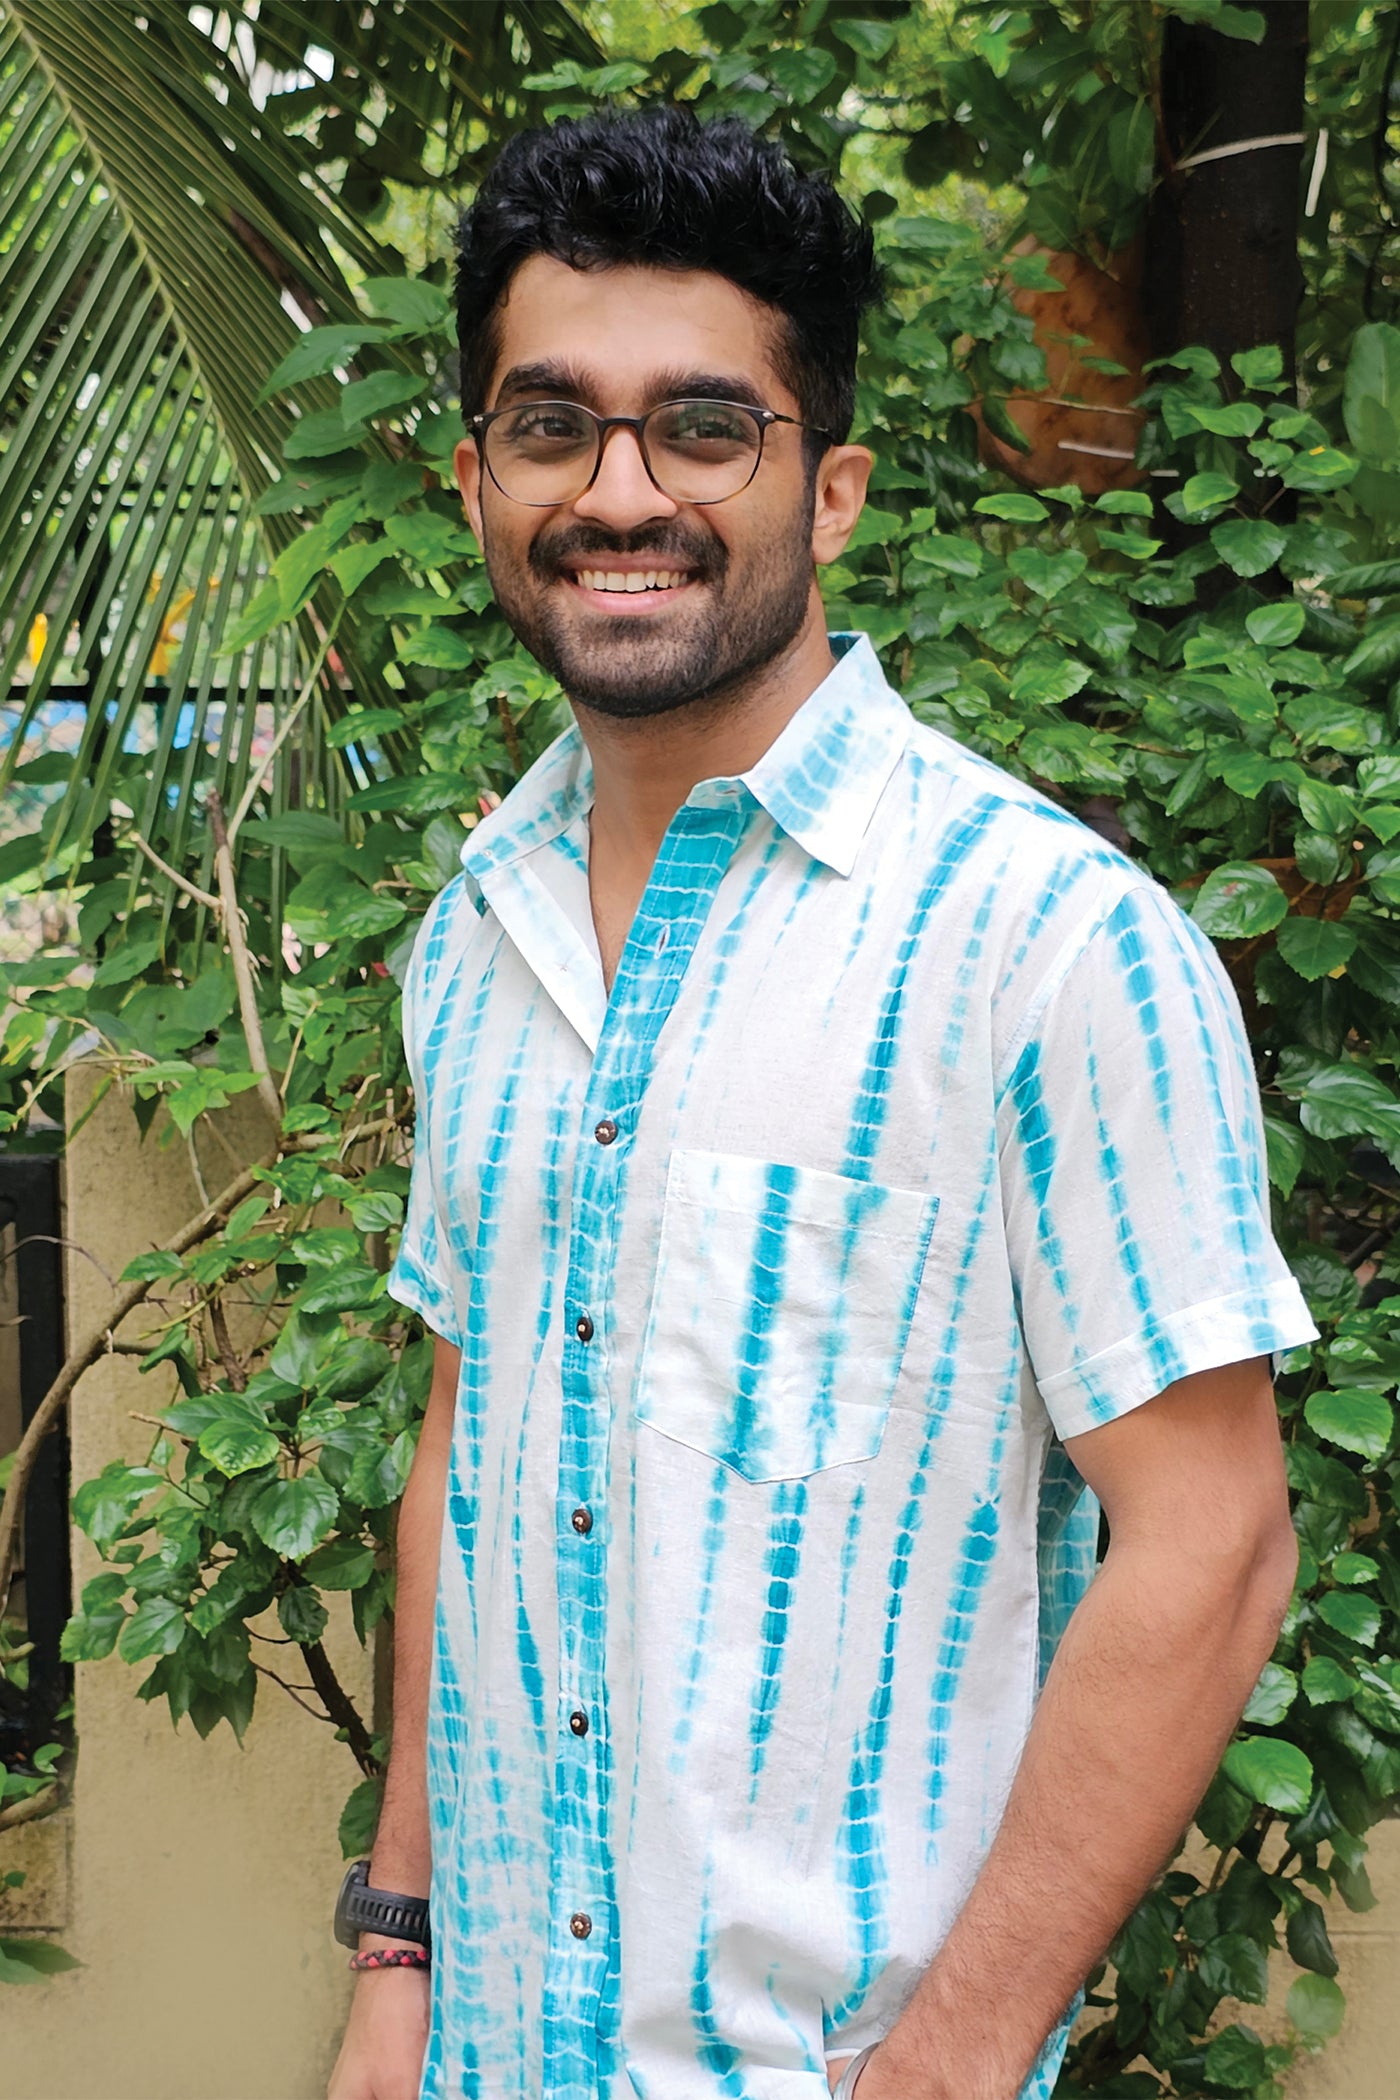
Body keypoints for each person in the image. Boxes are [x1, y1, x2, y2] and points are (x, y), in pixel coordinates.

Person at [327, 105, 1315, 2100]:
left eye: (703, 427)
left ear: (832, 487)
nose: (622, 491)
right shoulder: (475, 937)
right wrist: (395, 1953)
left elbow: (1212, 1546)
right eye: (552, 425)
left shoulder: (1049, 944)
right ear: (475, 479)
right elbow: (468, 1437)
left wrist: (953, 2060)